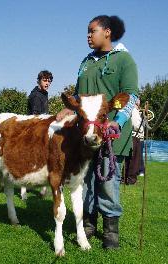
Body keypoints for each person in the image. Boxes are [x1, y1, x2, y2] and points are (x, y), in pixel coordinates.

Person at [56, 15, 139, 249]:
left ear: (108, 32)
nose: (88, 35)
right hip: (84, 135)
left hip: (111, 133)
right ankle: (88, 223)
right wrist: (68, 106)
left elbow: (131, 95)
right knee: (85, 180)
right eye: (87, 31)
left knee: (108, 182)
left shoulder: (124, 60)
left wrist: (118, 121)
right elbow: (77, 94)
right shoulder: (86, 62)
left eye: (92, 31)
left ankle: (111, 231)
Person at [123, 99, 144, 184]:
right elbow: (136, 124)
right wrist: (142, 129)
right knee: (135, 158)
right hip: (135, 136)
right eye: (138, 100)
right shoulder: (134, 109)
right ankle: (131, 179)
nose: (139, 102)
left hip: (131, 135)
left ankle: (125, 178)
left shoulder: (129, 109)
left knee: (129, 158)